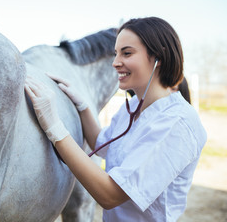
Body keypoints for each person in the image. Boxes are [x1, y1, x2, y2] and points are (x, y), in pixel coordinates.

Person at [24, 17, 206, 222]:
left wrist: (55, 128)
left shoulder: (177, 123)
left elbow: (109, 195)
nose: (115, 63)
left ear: (158, 57)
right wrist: (83, 107)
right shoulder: (135, 105)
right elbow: (103, 145)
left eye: (126, 53)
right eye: (115, 53)